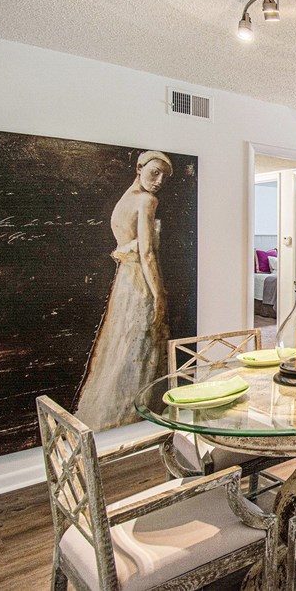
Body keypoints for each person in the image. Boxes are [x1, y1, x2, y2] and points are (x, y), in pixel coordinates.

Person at [75, 150, 172, 429]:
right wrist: (159, 296)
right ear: (139, 168)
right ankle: (135, 415)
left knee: (121, 345)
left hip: (124, 283)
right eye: (154, 172)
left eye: (163, 176)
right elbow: (148, 255)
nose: (158, 181)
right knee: (140, 344)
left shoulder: (124, 201)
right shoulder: (146, 200)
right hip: (140, 284)